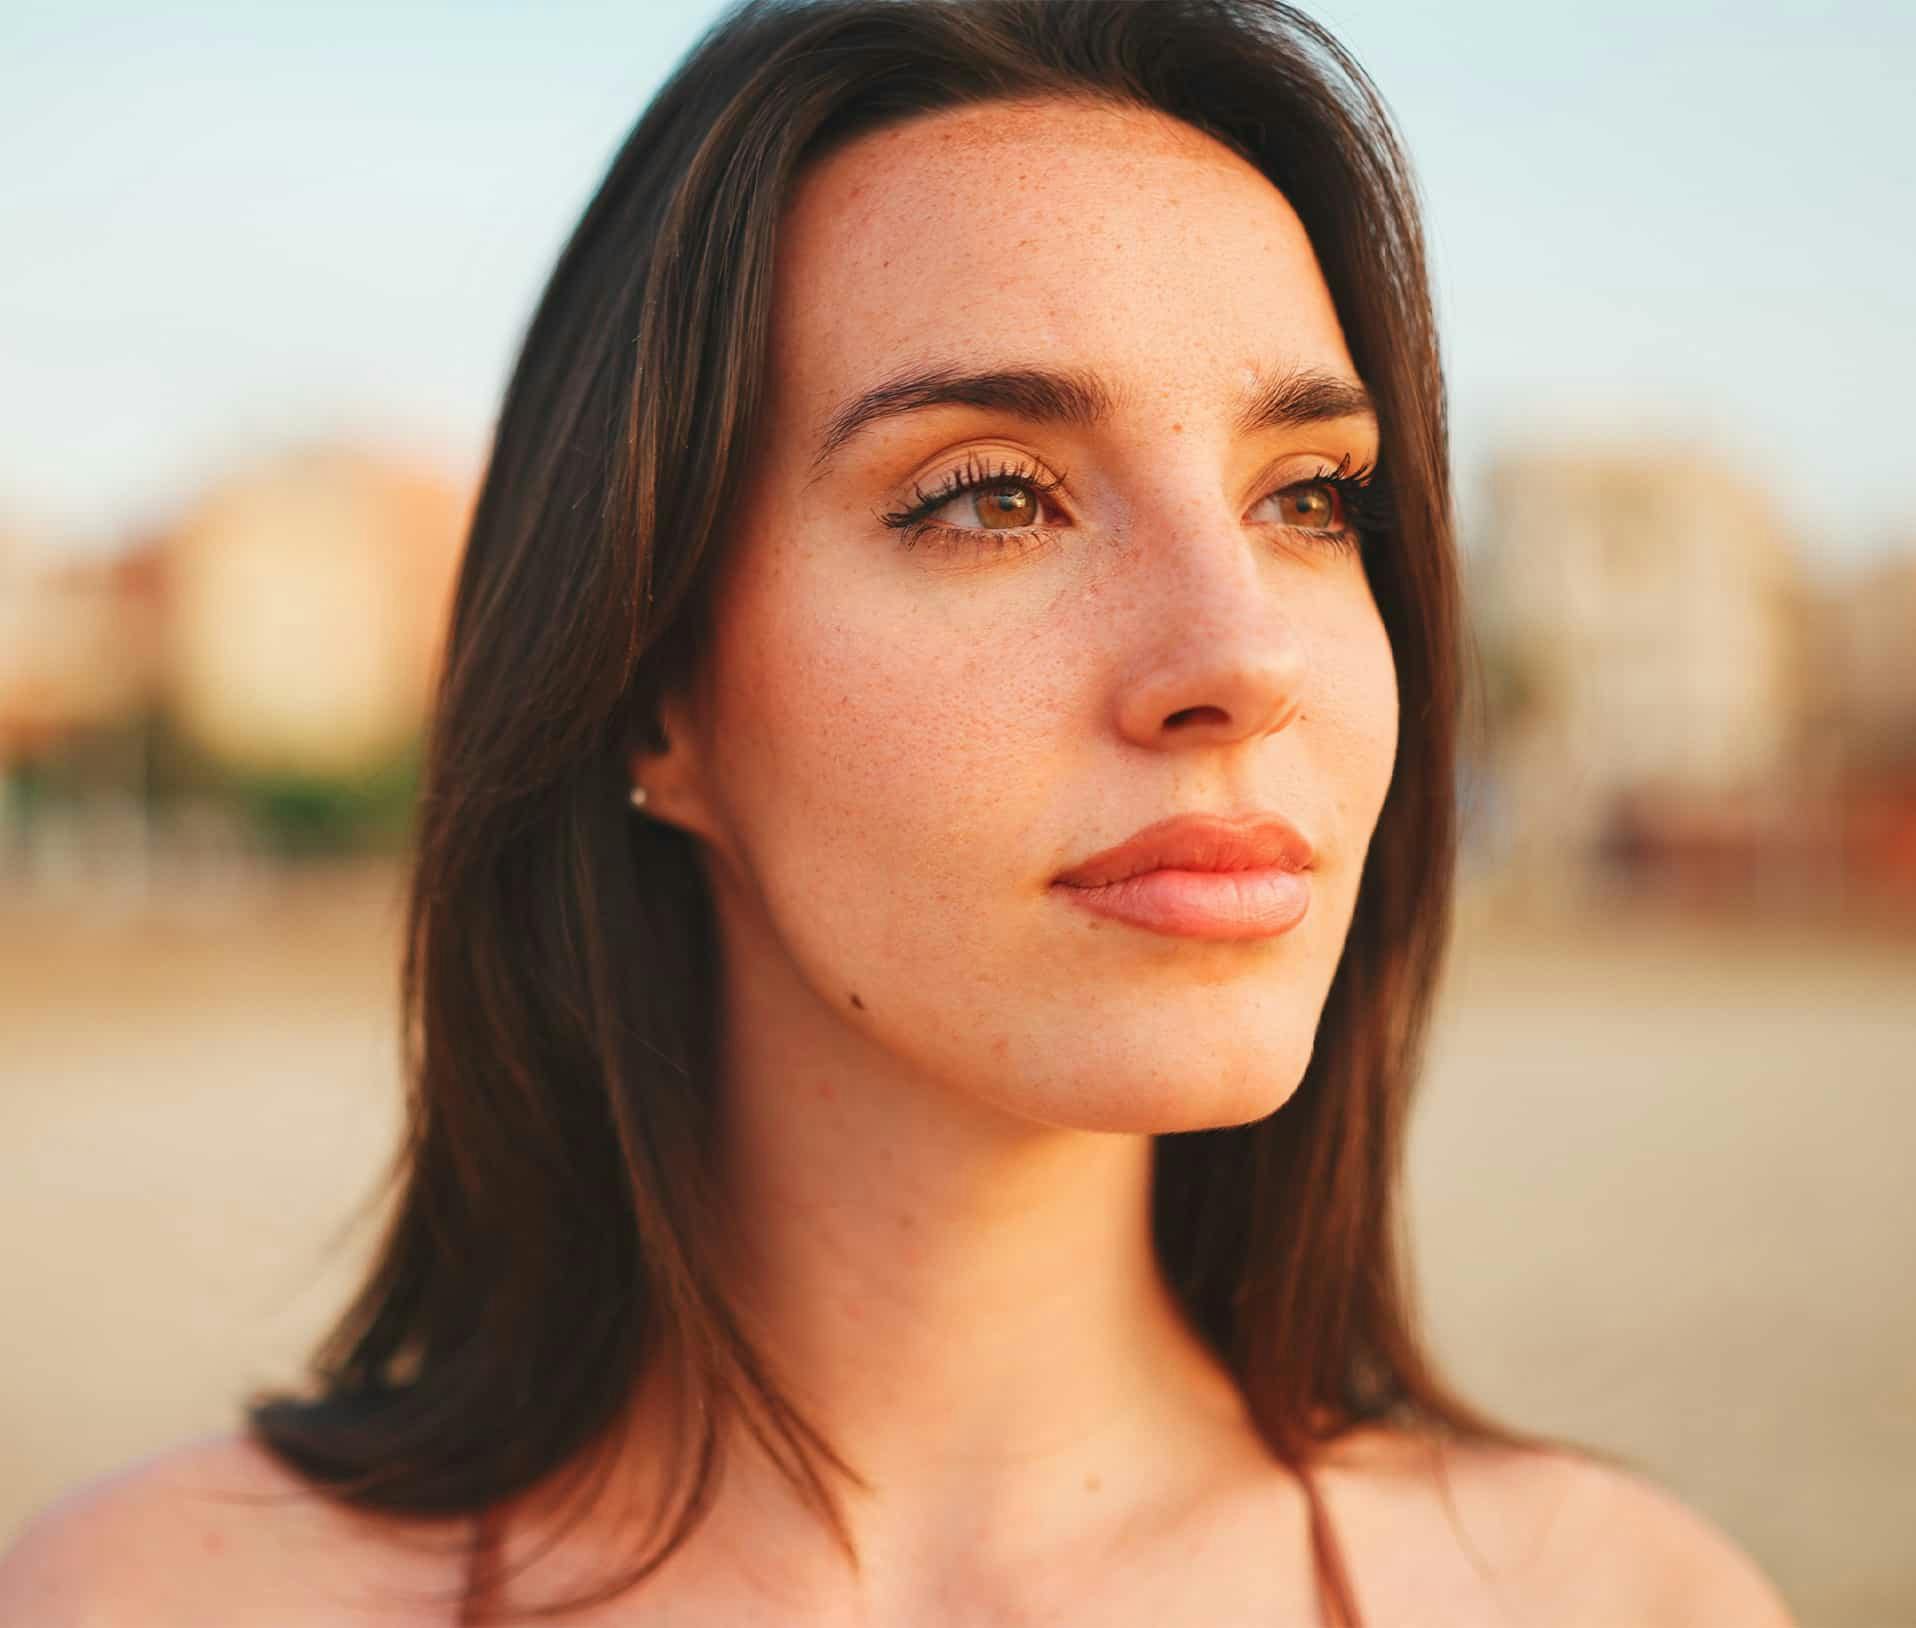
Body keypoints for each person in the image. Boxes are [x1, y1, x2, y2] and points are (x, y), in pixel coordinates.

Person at [0, 1, 1797, 1623]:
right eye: (995, 496)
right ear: (650, 685)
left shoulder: (1625, 1601)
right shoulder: (139, 1603)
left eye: (1311, 498)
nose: (1241, 656)